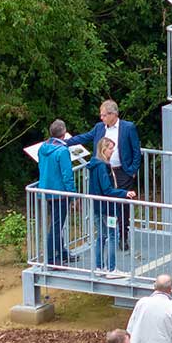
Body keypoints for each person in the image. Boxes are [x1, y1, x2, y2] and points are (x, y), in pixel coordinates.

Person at [66, 100, 142, 251]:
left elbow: (136, 150)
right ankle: (106, 234)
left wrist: (132, 170)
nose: (101, 118)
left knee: (122, 204)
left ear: (113, 114)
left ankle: (123, 236)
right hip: (103, 171)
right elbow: (84, 137)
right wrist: (64, 142)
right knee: (104, 202)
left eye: (104, 115)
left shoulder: (128, 127)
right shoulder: (99, 127)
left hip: (122, 171)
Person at [85, 138, 136, 277]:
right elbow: (107, 189)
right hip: (107, 208)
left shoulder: (94, 165)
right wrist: (125, 193)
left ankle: (99, 267)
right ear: (103, 149)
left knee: (101, 236)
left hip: (97, 206)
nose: (113, 151)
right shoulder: (102, 166)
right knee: (113, 235)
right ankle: (111, 269)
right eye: (110, 148)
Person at [37, 119, 77, 266]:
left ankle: (61, 252)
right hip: (60, 193)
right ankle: (51, 258)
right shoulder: (62, 151)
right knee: (56, 226)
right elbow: (67, 175)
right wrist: (73, 195)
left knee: (56, 224)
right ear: (64, 133)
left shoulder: (43, 147)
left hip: (46, 190)